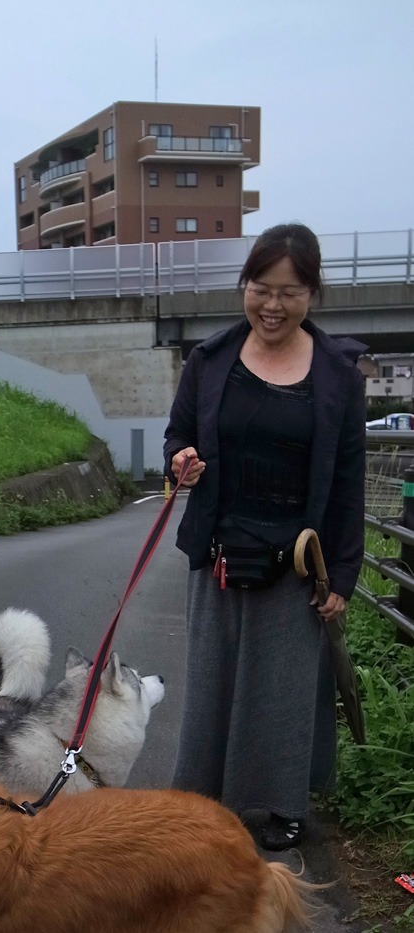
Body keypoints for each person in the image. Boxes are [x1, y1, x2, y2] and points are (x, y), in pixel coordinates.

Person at [163, 223, 366, 851]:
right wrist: (181, 462)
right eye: (260, 288)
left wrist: (345, 575)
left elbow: (349, 481)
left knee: (281, 686)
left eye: (290, 291)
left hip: (299, 555)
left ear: (312, 294)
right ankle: (201, 798)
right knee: (213, 679)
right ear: (244, 285)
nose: (272, 305)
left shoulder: (338, 374)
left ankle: (281, 806)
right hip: (222, 545)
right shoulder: (211, 360)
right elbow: (177, 437)